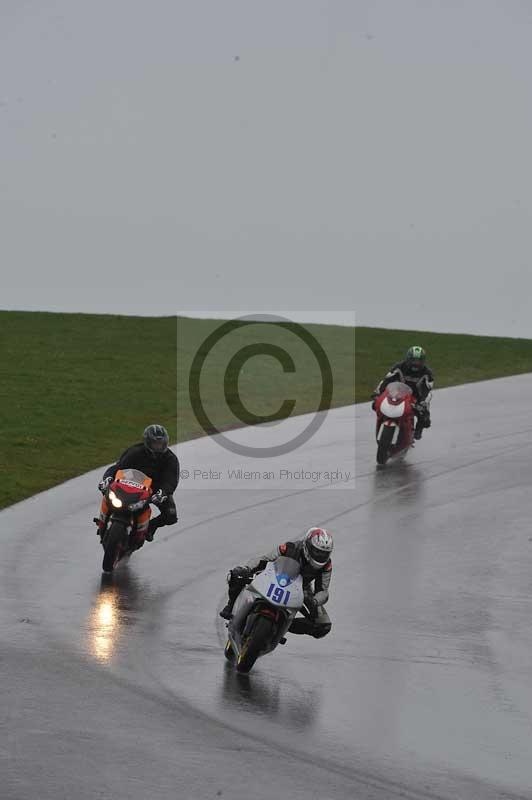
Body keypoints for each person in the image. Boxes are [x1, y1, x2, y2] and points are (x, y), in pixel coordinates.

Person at [220, 527, 334, 639]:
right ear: (307, 545)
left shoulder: (326, 565)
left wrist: (315, 601)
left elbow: (323, 591)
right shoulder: (289, 548)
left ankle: (282, 626)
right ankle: (230, 606)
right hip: (275, 576)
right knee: (237, 574)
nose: (320, 555)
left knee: (323, 626)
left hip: (302, 588)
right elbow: (265, 558)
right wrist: (247, 568)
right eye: (317, 551)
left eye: (324, 553)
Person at [96, 424, 179, 543]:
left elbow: (171, 480)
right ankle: (103, 521)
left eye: (161, 444)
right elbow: (118, 467)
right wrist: (107, 478)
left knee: (171, 515)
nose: (158, 447)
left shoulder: (171, 459)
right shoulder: (135, 451)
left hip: (156, 489)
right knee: (110, 494)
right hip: (132, 483)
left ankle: (150, 528)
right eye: (155, 444)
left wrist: (163, 492)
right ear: (148, 442)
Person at [372, 345, 434, 440]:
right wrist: (377, 393)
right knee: (374, 405)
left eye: (418, 361)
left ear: (423, 361)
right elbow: (386, 380)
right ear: (408, 359)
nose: (415, 363)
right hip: (397, 393)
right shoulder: (399, 367)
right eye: (413, 360)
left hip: (416, 397)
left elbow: (427, 390)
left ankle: (418, 430)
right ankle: (381, 419)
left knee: (425, 419)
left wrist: (421, 403)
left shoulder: (427, 373)